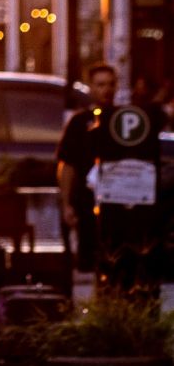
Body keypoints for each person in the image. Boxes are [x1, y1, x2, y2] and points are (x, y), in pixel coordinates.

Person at [56, 59, 119, 275]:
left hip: (117, 205)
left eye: (111, 84)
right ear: (91, 87)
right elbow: (68, 165)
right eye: (101, 85)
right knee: (87, 263)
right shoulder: (79, 122)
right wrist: (66, 204)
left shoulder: (123, 120)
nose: (107, 90)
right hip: (86, 202)